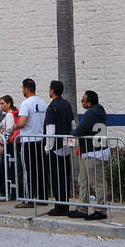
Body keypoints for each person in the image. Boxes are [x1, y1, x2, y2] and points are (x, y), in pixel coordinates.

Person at [70, 90, 109, 220]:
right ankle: (82, 207)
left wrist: (72, 132)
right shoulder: (100, 112)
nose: (81, 102)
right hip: (91, 151)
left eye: (83, 100)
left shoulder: (90, 114)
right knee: (84, 180)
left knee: (96, 183)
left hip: (93, 152)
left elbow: (80, 130)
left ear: (89, 102)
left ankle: (101, 210)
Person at [44, 80, 76, 216]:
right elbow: (73, 124)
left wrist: (47, 147)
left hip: (56, 147)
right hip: (67, 145)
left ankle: (59, 206)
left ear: (52, 91)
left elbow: (50, 129)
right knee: (65, 176)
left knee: (56, 177)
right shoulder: (67, 104)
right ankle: (65, 204)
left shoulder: (52, 107)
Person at [14, 79, 48, 206]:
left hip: (28, 141)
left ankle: (28, 199)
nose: (22, 90)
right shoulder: (43, 103)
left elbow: (23, 121)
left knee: (28, 171)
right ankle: (42, 197)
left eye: (23, 88)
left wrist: (15, 126)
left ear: (27, 89)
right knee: (40, 170)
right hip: (40, 140)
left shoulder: (25, 104)